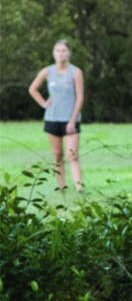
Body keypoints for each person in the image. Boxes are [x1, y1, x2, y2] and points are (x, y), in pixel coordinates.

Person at [27, 40, 85, 192]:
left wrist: (72, 120)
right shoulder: (47, 71)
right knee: (58, 155)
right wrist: (44, 104)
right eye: (58, 50)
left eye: (64, 50)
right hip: (52, 119)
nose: (61, 53)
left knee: (72, 155)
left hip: (70, 119)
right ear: (53, 53)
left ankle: (79, 186)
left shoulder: (76, 72)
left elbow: (80, 97)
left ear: (69, 53)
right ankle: (62, 186)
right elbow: (33, 89)